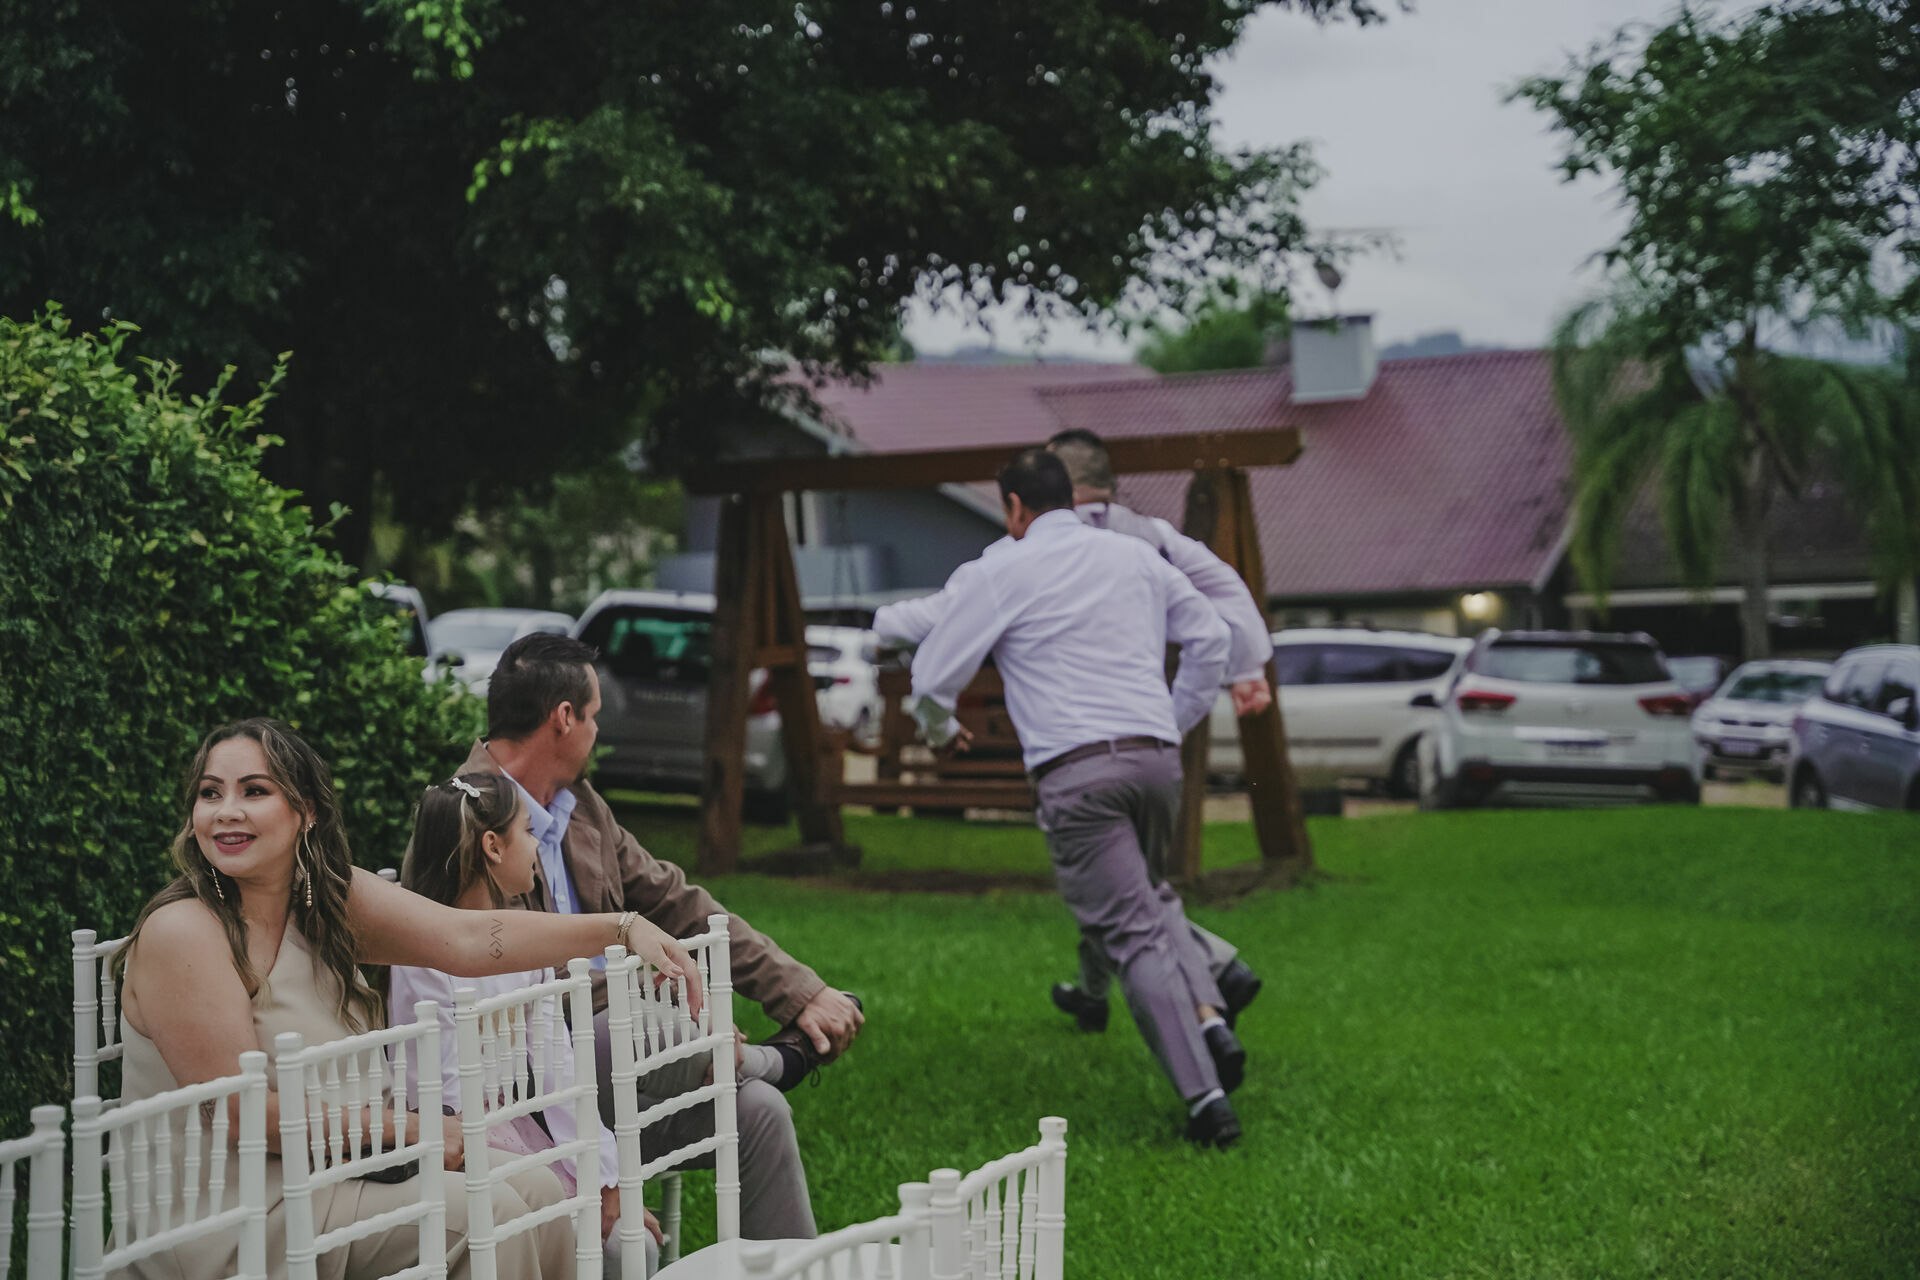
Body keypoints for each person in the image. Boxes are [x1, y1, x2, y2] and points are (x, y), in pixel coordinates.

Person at [115, 717, 699, 1279]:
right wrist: (414, 1128)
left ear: (307, 812)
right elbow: (244, 1117)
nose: (227, 812)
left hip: (341, 1171)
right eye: (210, 793)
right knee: (486, 1216)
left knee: (539, 1188)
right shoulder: (184, 933)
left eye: (255, 790)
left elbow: (468, 938)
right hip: (229, 1210)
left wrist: (620, 928)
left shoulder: (326, 901)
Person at [464, 632, 865, 1240]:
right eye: (595, 717)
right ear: (564, 719)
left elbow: (680, 904)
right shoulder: (465, 816)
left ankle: (750, 1075)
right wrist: (653, 1004)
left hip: (622, 1072)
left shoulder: (583, 808)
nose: (599, 732)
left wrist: (800, 992)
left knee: (757, 1113)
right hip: (531, 1090)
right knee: (669, 1027)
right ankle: (772, 1059)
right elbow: (502, 980)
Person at [871, 427, 1265, 1040]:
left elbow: (947, 613)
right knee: (1125, 884)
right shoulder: (1149, 536)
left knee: (1121, 892)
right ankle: (1100, 995)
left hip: (1074, 749)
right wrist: (1239, 673)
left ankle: (1212, 979)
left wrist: (884, 627)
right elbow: (1224, 596)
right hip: (1149, 742)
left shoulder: (1024, 552)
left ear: (1056, 491)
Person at [388, 773, 664, 1276]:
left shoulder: (527, 948)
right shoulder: (420, 957)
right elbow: (432, 1087)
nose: (538, 846)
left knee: (631, 1242)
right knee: (565, 1229)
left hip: (527, 1125)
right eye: (528, 832)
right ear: (493, 846)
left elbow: (560, 1071)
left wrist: (606, 1182)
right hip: (459, 1143)